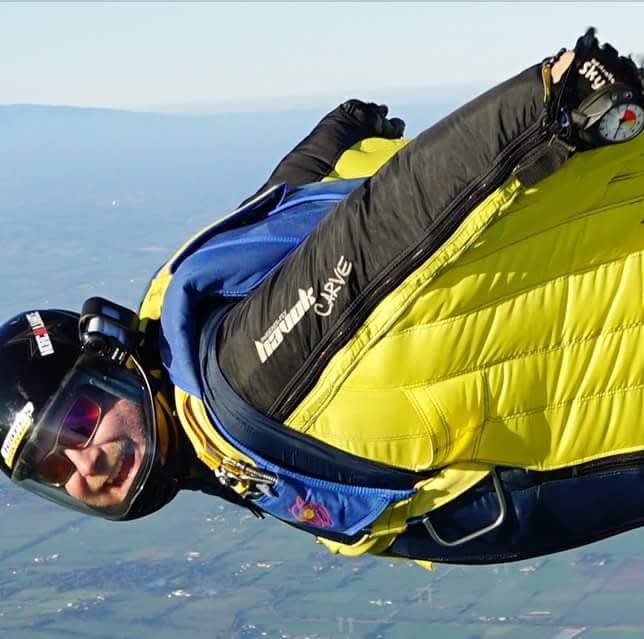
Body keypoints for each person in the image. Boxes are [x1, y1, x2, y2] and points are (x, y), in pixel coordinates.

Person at [1, 28, 643, 567]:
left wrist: (541, 107)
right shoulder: (200, 400)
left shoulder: (239, 384)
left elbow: (378, 235)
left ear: (115, 366)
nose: (83, 468)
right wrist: (331, 148)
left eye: (78, 423)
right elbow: (273, 228)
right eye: (55, 473)